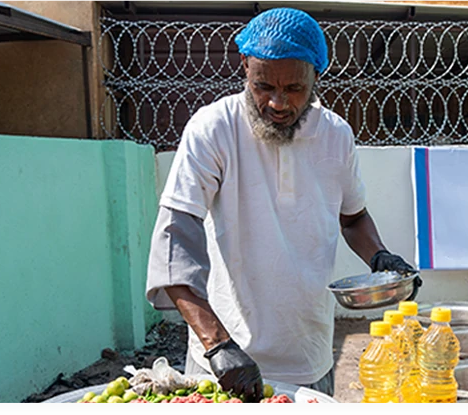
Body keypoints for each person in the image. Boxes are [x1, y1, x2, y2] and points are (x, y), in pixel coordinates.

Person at [144, 7, 420, 403]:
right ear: (244, 68)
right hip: (222, 362)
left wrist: (381, 259)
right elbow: (176, 241)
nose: (277, 103)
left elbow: (353, 217)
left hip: (310, 359)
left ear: (315, 78)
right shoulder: (214, 129)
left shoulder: (336, 135)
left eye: (294, 89)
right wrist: (217, 344)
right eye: (263, 86)